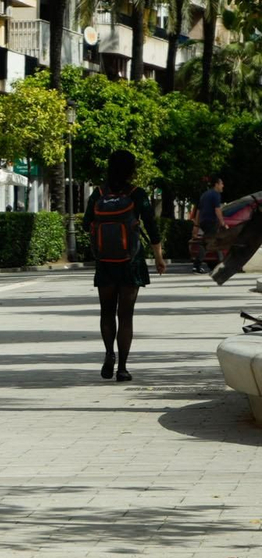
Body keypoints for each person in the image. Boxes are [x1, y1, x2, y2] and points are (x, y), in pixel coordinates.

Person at [85, 148, 166, 382]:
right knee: (126, 315)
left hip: (105, 262)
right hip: (131, 261)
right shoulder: (137, 194)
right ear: (132, 170)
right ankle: (122, 367)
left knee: (107, 311)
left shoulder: (98, 193)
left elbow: (86, 223)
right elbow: (152, 227)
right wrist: (159, 257)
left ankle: (109, 353)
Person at [194, 175, 224, 274]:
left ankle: (219, 264)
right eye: (221, 184)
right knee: (211, 242)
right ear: (216, 185)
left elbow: (198, 211)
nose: (223, 186)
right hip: (211, 221)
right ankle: (220, 265)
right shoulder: (216, 195)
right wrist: (222, 222)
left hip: (203, 222)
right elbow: (217, 210)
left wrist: (197, 225)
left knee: (211, 241)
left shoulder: (204, 195)